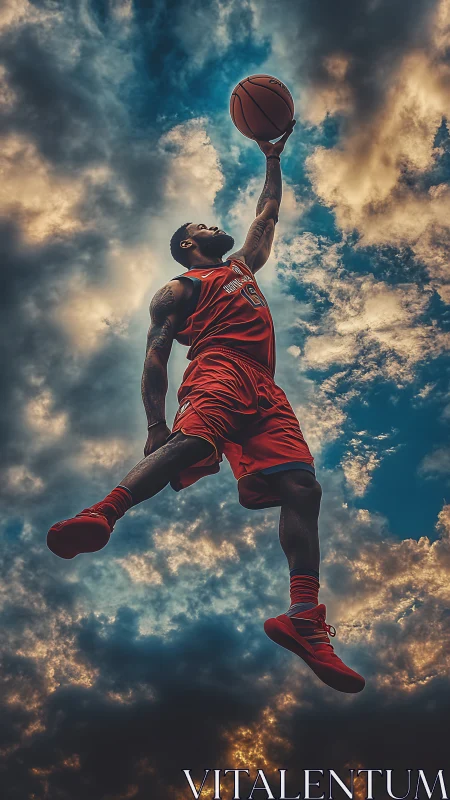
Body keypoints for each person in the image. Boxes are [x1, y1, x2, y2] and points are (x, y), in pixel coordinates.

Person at [47, 120, 365, 693]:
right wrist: (154, 423)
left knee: (302, 489)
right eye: (200, 225)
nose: (212, 223)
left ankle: (302, 617)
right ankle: (104, 512)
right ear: (187, 244)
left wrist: (273, 159)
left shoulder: (241, 268)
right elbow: (154, 355)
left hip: (266, 387)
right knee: (194, 440)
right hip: (217, 366)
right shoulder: (178, 290)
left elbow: (266, 215)